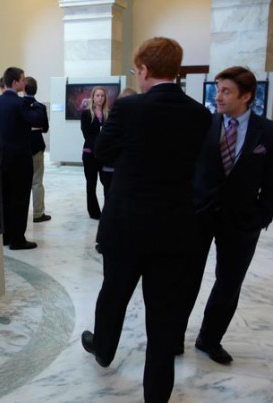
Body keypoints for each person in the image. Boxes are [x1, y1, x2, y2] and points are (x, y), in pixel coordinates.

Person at [80, 37, 212, 403]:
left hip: (126, 226)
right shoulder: (200, 114)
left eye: (137, 70)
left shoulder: (131, 108)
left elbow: (103, 150)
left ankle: (104, 348)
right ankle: (157, 395)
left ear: (145, 70)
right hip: (174, 229)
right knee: (163, 318)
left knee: (114, 294)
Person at [178, 66, 273, 364]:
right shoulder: (203, 124)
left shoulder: (267, 132)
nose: (217, 96)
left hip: (242, 221)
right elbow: (186, 169)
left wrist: (261, 216)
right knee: (185, 280)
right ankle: (173, 337)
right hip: (199, 216)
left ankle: (210, 338)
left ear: (246, 96)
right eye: (217, 90)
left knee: (229, 283)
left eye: (226, 91)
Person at [0, 67, 48, 250]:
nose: (25, 83)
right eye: (23, 79)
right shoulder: (21, 104)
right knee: (20, 199)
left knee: (5, 197)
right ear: (16, 82)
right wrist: (33, 102)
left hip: (2, 159)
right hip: (19, 160)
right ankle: (17, 239)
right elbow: (38, 120)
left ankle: (5, 236)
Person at [94, 86, 138, 254]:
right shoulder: (116, 119)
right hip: (112, 169)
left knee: (113, 205)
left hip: (116, 169)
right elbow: (102, 147)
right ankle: (106, 239)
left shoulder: (117, 118)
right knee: (111, 204)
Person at [24, 76, 51, 223]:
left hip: (22, 147)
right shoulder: (40, 107)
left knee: (22, 183)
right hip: (36, 146)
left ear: (23, 88)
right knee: (37, 181)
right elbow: (46, 129)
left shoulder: (19, 105)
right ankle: (38, 213)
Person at [80, 86, 109, 219]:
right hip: (90, 153)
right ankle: (94, 212)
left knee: (107, 182)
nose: (100, 98)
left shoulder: (108, 114)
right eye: (97, 95)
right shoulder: (86, 114)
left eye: (102, 96)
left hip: (104, 155)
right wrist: (97, 148)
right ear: (93, 97)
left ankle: (108, 209)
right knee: (91, 184)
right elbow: (87, 135)